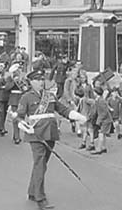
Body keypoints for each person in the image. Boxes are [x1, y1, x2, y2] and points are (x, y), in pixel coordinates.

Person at [12, 69, 86, 210]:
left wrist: (76, 116)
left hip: (50, 133)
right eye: (38, 80)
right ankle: (41, 198)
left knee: (41, 164)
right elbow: (19, 115)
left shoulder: (50, 96)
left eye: (42, 80)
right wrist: (24, 126)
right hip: (36, 134)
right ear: (31, 82)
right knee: (40, 164)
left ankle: (32, 192)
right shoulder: (26, 97)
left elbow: (62, 109)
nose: (41, 82)